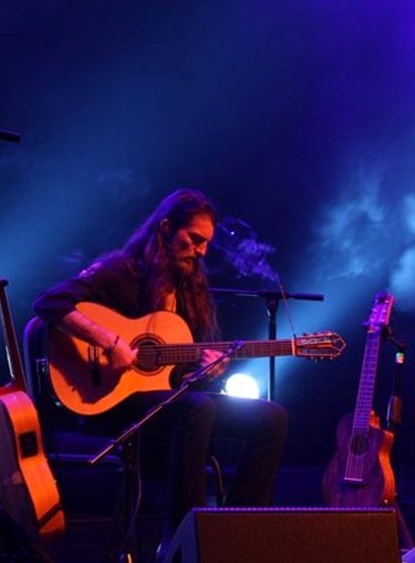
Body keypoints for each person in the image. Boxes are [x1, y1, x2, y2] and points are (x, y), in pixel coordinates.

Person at [32, 188, 288, 552]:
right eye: (194, 240)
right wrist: (109, 342)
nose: (200, 251)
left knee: (270, 417)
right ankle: (183, 540)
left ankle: (238, 532)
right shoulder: (121, 270)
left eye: (205, 244)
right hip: (109, 404)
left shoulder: (189, 288)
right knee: (198, 408)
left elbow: (177, 378)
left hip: (168, 408)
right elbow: (49, 302)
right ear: (166, 229)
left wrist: (207, 368)